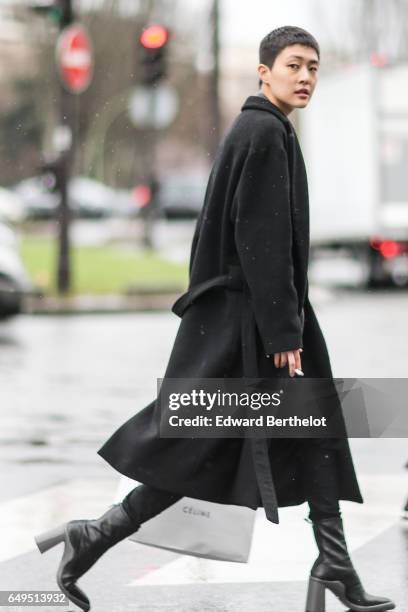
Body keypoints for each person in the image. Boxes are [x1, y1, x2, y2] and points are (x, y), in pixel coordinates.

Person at [34, 26, 396, 612]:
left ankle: (333, 560)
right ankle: (94, 535)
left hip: (256, 318)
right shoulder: (264, 132)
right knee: (200, 443)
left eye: (314, 68)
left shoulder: (263, 128)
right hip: (254, 325)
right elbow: (261, 240)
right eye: (294, 65)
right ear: (264, 71)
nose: (305, 77)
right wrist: (284, 332)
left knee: (304, 429)